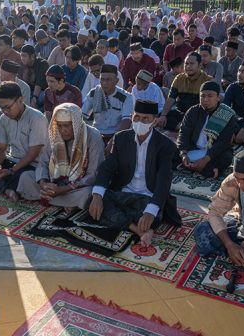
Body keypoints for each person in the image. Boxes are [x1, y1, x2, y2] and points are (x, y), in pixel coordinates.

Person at [88, 100, 181, 246]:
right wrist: (97, 196)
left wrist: (150, 212)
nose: (140, 121)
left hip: (147, 197)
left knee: (152, 214)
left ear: (154, 121)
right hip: (123, 192)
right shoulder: (121, 138)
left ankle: (130, 222)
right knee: (95, 201)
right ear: (131, 116)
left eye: (145, 119)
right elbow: (107, 167)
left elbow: (164, 180)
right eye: (137, 117)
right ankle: (139, 230)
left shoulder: (165, 145)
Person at [17, 103, 105, 210]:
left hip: (77, 186)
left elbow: (93, 174)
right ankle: (63, 202)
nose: (63, 130)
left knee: (88, 193)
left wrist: (64, 189)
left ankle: (49, 198)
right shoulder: (55, 134)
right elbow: (43, 162)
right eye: (59, 125)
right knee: (26, 177)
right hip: (55, 182)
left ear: (76, 124)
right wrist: (43, 183)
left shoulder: (93, 136)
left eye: (67, 125)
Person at [0, 82, 48, 200]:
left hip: (32, 165)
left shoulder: (37, 119)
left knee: (25, 177)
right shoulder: (4, 118)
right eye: (1, 108)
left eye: (8, 107)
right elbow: (1, 148)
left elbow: (32, 155)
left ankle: (4, 187)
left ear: (20, 100)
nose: (5, 111)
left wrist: (11, 171)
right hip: (12, 161)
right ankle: (7, 189)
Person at [177, 81, 238, 178]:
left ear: (218, 98)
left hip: (213, 153)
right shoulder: (192, 111)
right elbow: (183, 134)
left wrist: (206, 159)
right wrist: (183, 154)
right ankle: (206, 169)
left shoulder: (227, 114)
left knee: (227, 157)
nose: (205, 99)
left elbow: (223, 142)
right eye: (202, 96)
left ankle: (206, 168)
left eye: (210, 96)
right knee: (169, 151)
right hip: (193, 148)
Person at [82, 64, 134, 142]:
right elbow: (82, 115)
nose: (105, 83)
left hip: (117, 135)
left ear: (116, 81)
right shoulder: (94, 93)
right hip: (96, 134)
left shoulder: (126, 97)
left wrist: (113, 141)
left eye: (108, 80)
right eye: (102, 79)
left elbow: (126, 121)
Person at [164, 52, 212, 130]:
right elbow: (171, 98)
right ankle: (183, 127)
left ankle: (182, 127)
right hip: (181, 113)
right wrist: (163, 115)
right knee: (162, 117)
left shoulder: (208, 80)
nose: (188, 66)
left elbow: (209, 106)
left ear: (200, 65)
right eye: (186, 63)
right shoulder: (179, 78)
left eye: (192, 63)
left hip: (198, 114)